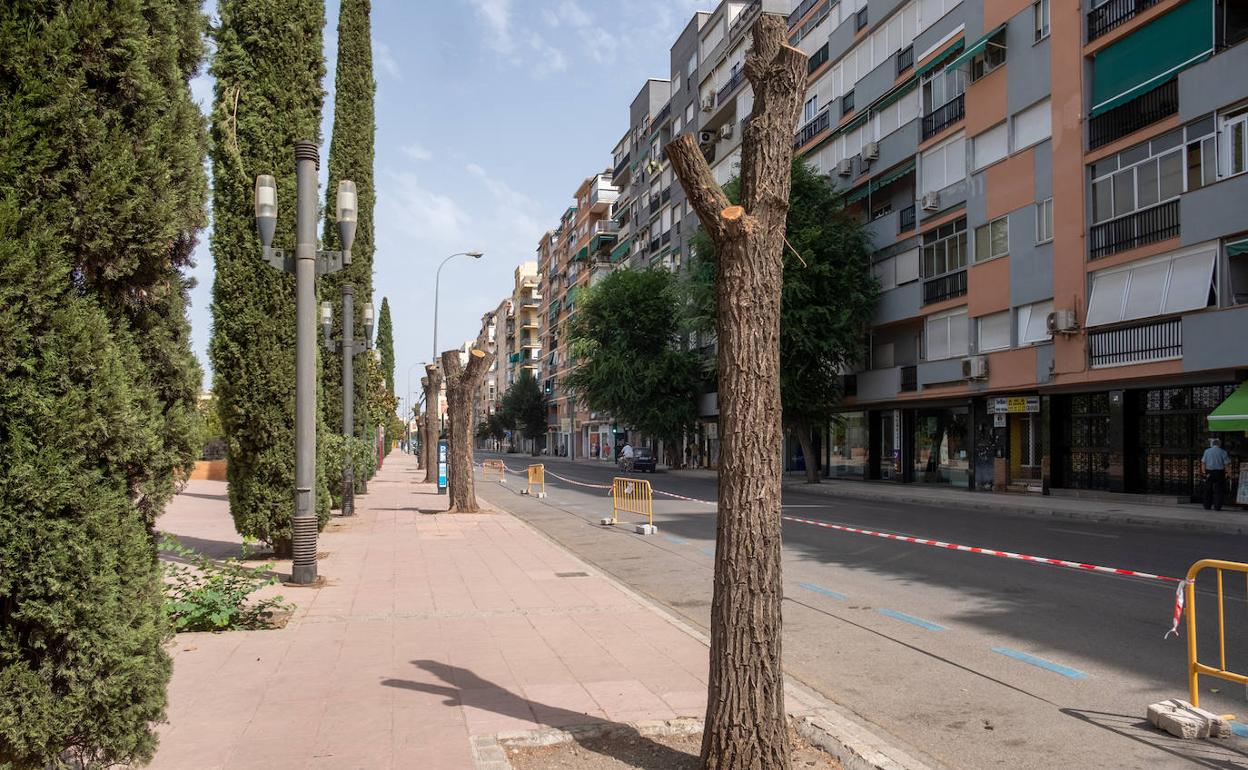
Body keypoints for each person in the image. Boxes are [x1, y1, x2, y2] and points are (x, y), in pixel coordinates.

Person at [1201, 438, 1231, 511]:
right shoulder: (1223, 452)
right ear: (1219, 444)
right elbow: (1227, 464)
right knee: (1219, 490)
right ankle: (1217, 506)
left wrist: (1204, 472)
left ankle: (1207, 506)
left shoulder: (1207, 451)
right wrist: (1228, 473)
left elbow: (1203, 463)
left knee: (1208, 489)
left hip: (1209, 472)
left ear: (1212, 444)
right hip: (1219, 472)